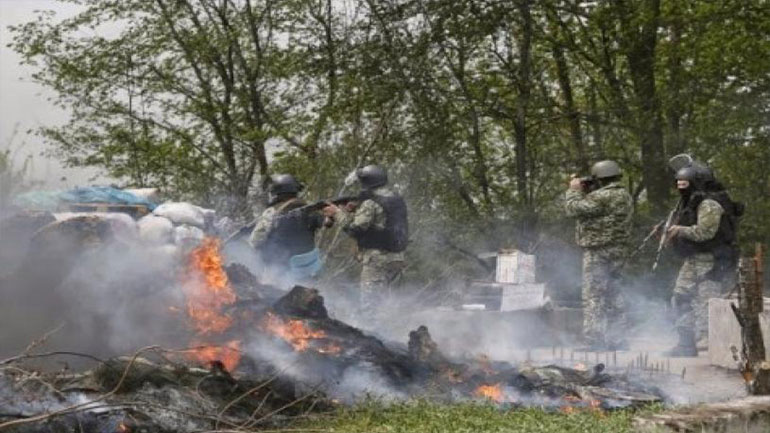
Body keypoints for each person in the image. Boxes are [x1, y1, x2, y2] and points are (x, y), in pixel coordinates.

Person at [665, 162, 742, 356]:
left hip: (712, 260)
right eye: (679, 185)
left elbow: (705, 232)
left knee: (707, 303)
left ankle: (712, 347)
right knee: (681, 296)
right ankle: (686, 343)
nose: (681, 189)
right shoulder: (692, 202)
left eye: (685, 185)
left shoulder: (709, 203)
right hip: (694, 258)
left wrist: (679, 230)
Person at [565, 160, 633, 351]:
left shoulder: (601, 196)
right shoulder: (624, 195)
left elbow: (573, 209)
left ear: (599, 179)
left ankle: (594, 340)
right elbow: (599, 212)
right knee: (615, 294)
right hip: (619, 250)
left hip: (598, 251)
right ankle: (618, 340)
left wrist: (574, 190)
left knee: (593, 296)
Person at [323, 165, 408, 316]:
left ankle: (371, 336)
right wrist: (355, 209)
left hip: (377, 260)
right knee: (388, 303)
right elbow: (382, 219)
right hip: (397, 257)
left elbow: (354, 229)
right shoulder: (396, 198)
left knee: (370, 307)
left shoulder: (369, 203)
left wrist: (336, 213)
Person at [248, 174, 328, 282]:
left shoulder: (272, 212)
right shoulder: (310, 210)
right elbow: (326, 222)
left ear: (276, 192)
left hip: (280, 271)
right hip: (308, 269)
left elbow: (255, 241)